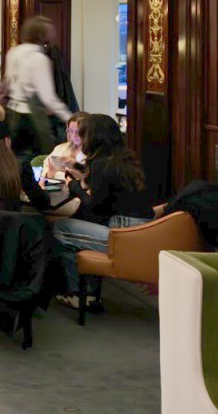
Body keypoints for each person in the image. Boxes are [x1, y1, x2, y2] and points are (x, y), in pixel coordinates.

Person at [52, 114, 155, 300]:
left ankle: (79, 294)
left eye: (83, 135)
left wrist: (73, 185)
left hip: (123, 235)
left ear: (93, 138)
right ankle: (90, 291)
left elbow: (94, 209)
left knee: (60, 227)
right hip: (145, 232)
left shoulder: (102, 165)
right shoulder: (125, 160)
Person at [2, 16, 74, 158]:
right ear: (42, 34)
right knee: (41, 158)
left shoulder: (13, 53)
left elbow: (8, 81)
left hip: (13, 113)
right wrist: (70, 118)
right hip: (31, 118)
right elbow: (48, 98)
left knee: (16, 158)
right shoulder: (39, 59)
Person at [42, 112, 89, 180]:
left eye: (78, 131)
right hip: (56, 185)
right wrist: (51, 172)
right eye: (71, 131)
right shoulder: (60, 148)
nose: (74, 135)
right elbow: (45, 171)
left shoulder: (95, 151)